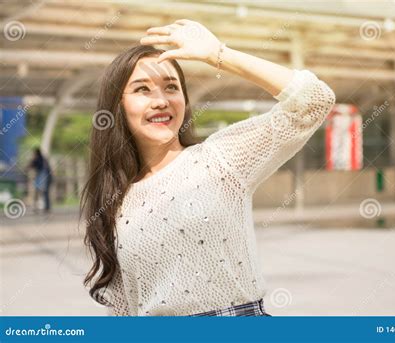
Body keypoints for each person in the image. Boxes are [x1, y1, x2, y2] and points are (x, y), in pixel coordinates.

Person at [80, 19, 336, 316]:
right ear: (117, 106)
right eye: (143, 90)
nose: (161, 100)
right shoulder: (115, 198)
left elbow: (315, 100)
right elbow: (124, 312)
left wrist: (219, 54)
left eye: (171, 87)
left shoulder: (219, 158)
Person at [29, 147, 53, 213]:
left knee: (41, 192)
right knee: (45, 193)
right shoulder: (43, 159)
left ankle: (41, 207)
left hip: (44, 177)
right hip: (46, 177)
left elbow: (31, 165)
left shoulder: (38, 159)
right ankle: (45, 207)